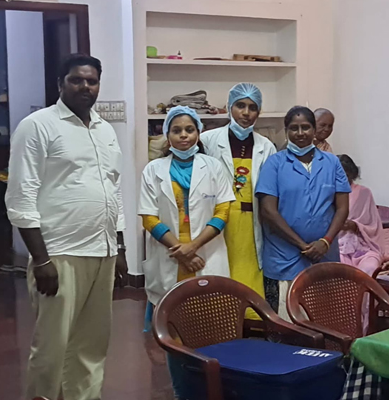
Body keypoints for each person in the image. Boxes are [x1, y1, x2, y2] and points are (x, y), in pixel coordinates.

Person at [5, 54, 127, 400]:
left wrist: (119, 247)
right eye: (76, 80)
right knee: (52, 347)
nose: (85, 87)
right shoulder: (38, 126)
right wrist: (41, 259)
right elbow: (21, 195)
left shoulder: (105, 130)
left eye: (92, 81)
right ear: (60, 84)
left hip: (102, 251)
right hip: (60, 252)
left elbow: (113, 189)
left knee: (92, 345)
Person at [256, 106, 350, 320]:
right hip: (284, 257)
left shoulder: (331, 162)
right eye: (293, 128)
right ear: (286, 130)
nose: (300, 133)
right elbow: (268, 211)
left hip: (324, 255)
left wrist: (325, 242)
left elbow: (342, 208)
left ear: (314, 129)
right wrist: (302, 246)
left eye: (305, 127)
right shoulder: (274, 164)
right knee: (287, 323)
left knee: (325, 319)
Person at [138, 105, 235, 307]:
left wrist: (193, 247)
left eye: (189, 130)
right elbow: (149, 218)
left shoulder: (214, 167)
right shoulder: (153, 170)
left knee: (208, 313)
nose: (183, 135)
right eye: (176, 130)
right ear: (167, 135)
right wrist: (184, 255)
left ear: (198, 134)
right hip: (170, 252)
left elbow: (223, 213)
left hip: (205, 252)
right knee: (170, 314)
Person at [201, 83, 276, 320]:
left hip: (251, 224)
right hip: (217, 220)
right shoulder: (207, 140)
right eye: (240, 106)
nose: (246, 113)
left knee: (248, 277)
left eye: (252, 108)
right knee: (218, 271)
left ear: (259, 112)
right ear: (228, 107)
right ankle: (219, 323)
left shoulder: (266, 146)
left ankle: (250, 326)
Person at [338, 155, 385, 331]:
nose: (342, 177)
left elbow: (373, 224)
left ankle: (364, 326)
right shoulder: (328, 194)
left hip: (364, 246)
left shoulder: (364, 193)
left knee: (369, 269)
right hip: (338, 247)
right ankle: (346, 329)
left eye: (346, 173)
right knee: (339, 275)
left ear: (352, 173)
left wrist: (355, 225)